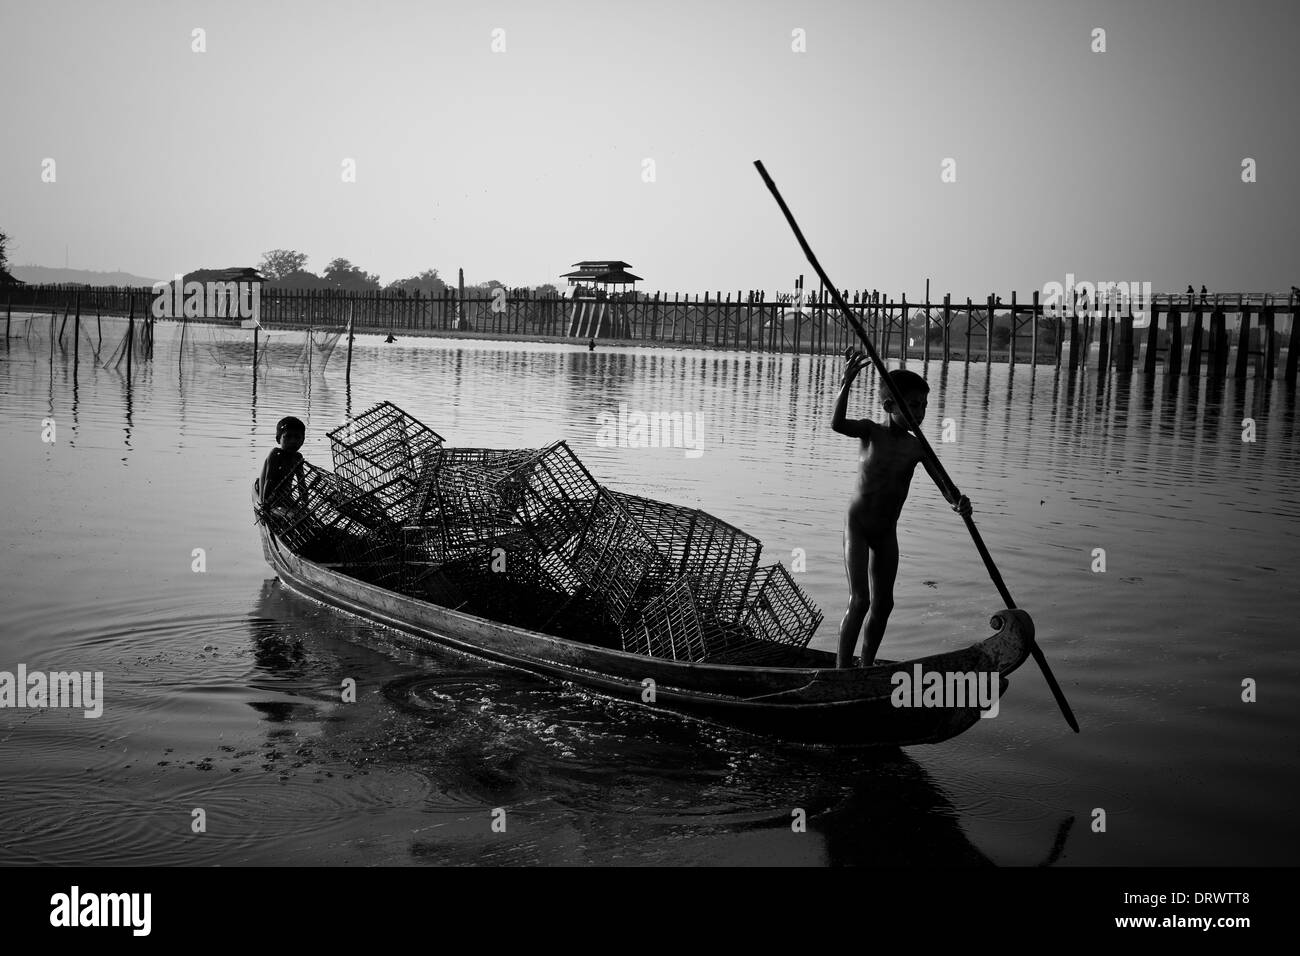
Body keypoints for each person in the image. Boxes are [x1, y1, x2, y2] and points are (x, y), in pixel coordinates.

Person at [831, 353, 970, 668]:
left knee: (884, 603)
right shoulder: (870, 432)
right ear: (889, 406)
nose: (919, 413)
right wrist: (846, 383)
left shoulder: (916, 447)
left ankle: (866, 666)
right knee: (861, 599)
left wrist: (960, 503)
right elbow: (837, 424)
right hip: (859, 525)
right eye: (912, 406)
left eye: (923, 406)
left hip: (885, 532)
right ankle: (840, 670)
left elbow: (947, 490)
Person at [258, 416, 308, 506]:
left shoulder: (298, 457)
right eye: (288, 437)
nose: (293, 441)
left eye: (297, 437)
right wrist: (265, 505)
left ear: (303, 440)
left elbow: (302, 484)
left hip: (287, 500)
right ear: (278, 439)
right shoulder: (276, 454)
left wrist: (305, 505)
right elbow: (269, 480)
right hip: (271, 501)